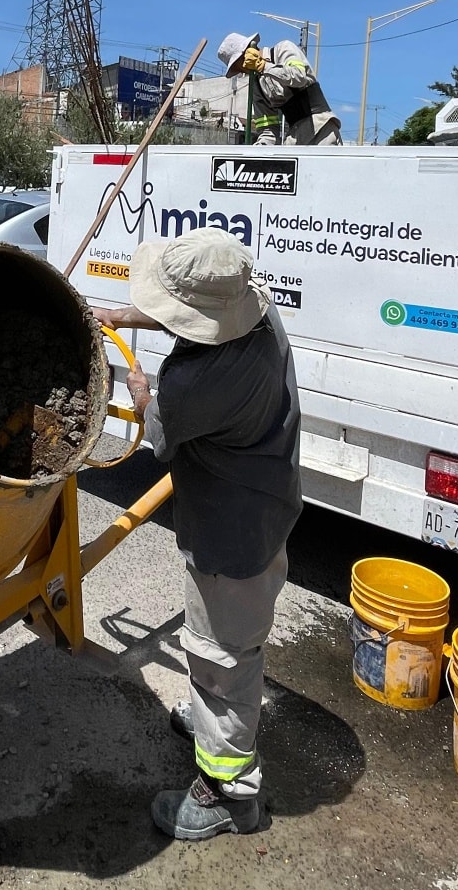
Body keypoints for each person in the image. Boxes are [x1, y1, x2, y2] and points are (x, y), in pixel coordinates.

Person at [96, 230, 303, 840]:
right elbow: (193, 316)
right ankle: (216, 720)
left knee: (222, 654)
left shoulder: (191, 387)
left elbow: (161, 437)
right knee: (226, 645)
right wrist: (116, 313)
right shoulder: (259, 313)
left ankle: (228, 792)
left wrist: (142, 395)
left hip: (230, 536)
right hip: (265, 504)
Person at [216, 32, 341, 146]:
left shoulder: (283, 49)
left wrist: (264, 66)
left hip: (321, 129)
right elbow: (268, 130)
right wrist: (260, 148)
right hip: (295, 140)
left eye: (239, 64)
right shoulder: (257, 87)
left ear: (248, 50)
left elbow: (299, 76)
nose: (242, 70)